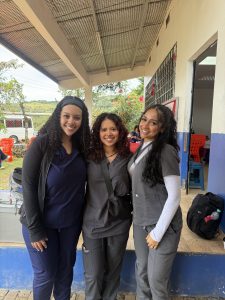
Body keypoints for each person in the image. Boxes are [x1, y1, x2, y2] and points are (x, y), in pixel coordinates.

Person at [20, 96, 90, 300]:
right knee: (45, 274)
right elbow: (29, 186)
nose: (71, 121)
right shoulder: (42, 144)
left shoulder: (82, 146)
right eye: (66, 116)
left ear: (82, 120)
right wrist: (35, 230)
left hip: (69, 225)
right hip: (41, 224)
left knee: (65, 272)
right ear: (58, 116)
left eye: (77, 117)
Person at [128, 104, 182, 300]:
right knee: (141, 273)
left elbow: (175, 196)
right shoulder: (142, 146)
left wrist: (158, 233)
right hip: (141, 221)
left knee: (156, 281)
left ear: (162, 128)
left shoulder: (165, 151)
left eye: (153, 122)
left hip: (162, 226)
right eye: (144, 119)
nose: (145, 125)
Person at [82, 113, 132, 300]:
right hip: (92, 224)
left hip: (119, 222)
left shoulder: (129, 158)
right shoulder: (88, 157)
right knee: (93, 274)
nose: (108, 133)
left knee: (112, 273)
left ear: (120, 132)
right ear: (98, 132)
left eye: (113, 129)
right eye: (104, 129)